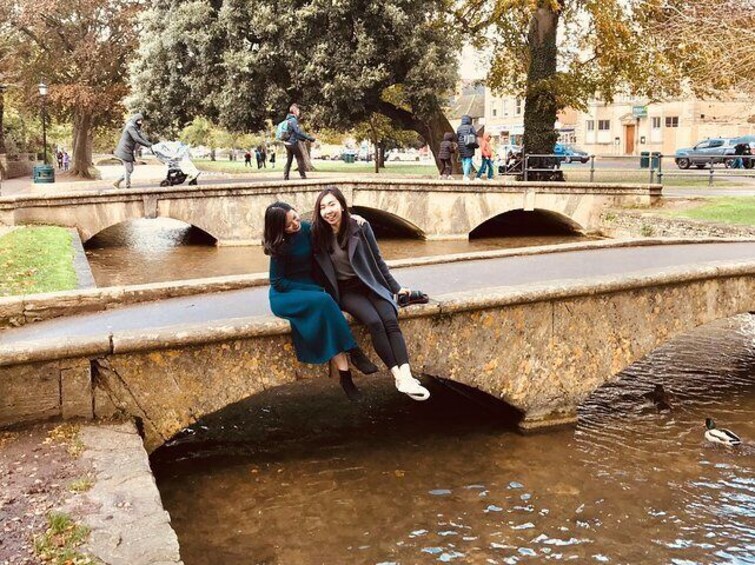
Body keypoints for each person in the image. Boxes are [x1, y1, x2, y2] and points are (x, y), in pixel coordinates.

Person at [311, 187, 431, 402]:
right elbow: (290, 233)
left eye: (332, 204)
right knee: (375, 322)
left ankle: (406, 375)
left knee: (390, 319)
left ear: (342, 205)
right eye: (322, 207)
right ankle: (397, 376)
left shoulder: (359, 226)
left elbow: (377, 260)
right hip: (346, 290)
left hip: (371, 284)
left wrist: (396, 288)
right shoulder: (317, 234)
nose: (328, 211)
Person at [264, 201, 378, 401]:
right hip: (287, 295)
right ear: (279, 228)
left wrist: (353, 220)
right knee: (324, 300)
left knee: (327, 316)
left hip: (313, 291)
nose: (296, 224)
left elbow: (333, 226)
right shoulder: (279, 244)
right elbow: (278, 282)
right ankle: (354, 351)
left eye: (296, 217)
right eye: (289, 224)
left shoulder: (308, 229)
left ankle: (345, 377)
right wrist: (313, 289)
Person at [113, 112, 153, 189]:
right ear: (135, 120)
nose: (140, 122)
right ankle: (127, 186)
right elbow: (137, 138)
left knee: (130, 169)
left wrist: (150, 144)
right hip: (124, 150)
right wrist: (148, 145)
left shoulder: (135, 127)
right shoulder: (130, 127)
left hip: (128, 150)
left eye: (141, 121)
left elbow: (141, 137)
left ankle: (117, 182)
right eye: (139, 120)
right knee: (129, 169)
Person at [282, 103, 315, 181]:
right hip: (292, 143)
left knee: (289, 160)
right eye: (298, 110)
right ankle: (303, 176)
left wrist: (303, 139)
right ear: (295, 111)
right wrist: (309, 138)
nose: (299, 112)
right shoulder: (293, 120)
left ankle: (286, 176)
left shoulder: (287, 119)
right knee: (300, 158)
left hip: (286, 143)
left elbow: (294, 133)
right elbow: (298, 132)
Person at [456, 114, 478, 182]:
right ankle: (465, 176)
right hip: (469, 145)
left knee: (464, 161)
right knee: (468, 160)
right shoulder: (470, 127)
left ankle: (466, 175)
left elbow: (457, 136)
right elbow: (475, 134)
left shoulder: (459, 128)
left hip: (461, 146)